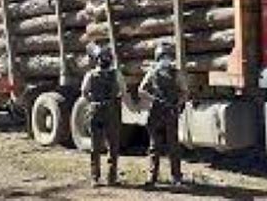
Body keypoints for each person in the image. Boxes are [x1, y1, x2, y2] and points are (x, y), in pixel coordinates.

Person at [81, 42, 133, 187]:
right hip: (111, 111)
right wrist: (132, 107)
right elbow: (124, 92)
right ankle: (111, 178)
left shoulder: (90, 75)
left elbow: (84, 92)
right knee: (113, 145)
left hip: (95, 111)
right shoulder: (116, 73)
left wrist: (92, 102)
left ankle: (95, 178)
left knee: (95, 147)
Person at [138, 41, 188, 187]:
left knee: (173, 146)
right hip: (156, 112)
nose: (165, 59)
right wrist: (154, 100)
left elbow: (185, 92)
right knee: (155, 146)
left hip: (170, 111)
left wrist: (177, 104)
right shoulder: (152, 72)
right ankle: (152, 177)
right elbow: (141, 90)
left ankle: (176, 177)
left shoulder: (176, 73)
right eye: (163, 56)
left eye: (167, 56)